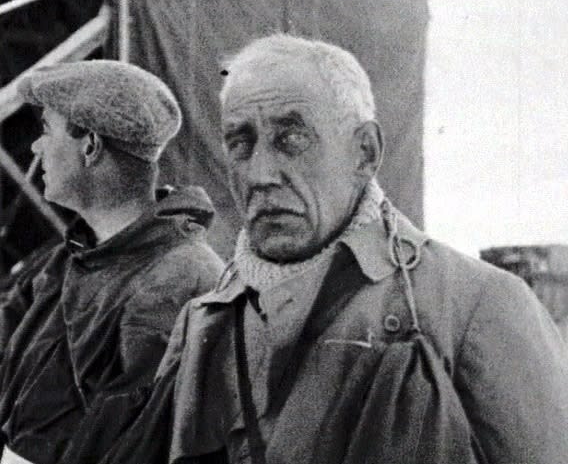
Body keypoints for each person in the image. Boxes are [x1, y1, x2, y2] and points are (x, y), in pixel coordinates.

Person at [84, 35, 568, 464]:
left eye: (292, 138)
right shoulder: (203, 324)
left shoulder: (473, 305)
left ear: (365, 153)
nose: (260, 174)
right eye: (240, 142)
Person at [0, 60, 224, 464]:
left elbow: (130, 445)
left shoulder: (178, 282)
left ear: (90, 146)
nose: (35, 147)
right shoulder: (74, 257)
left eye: (46, 130)